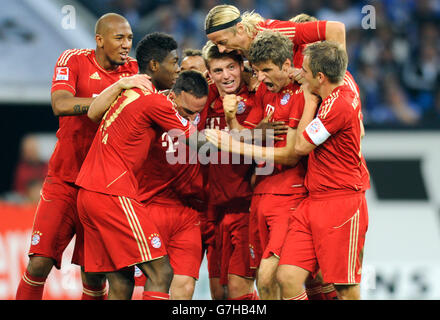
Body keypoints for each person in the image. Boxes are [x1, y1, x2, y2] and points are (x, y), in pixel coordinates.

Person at [15, 13, 146, 300]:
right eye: (119, 38)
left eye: (129, 39)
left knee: (94, 274)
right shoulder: (73, 59)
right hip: (64, 180)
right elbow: (60, 103)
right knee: (38, 263)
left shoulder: (135, 71)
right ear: (99, 39)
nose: (126, 45)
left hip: (102, 188)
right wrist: (113, 94)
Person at [89, 33, 207, 300]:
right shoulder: (156, 101)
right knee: (159, 274)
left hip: (95, 190)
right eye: (174, 62)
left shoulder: (130, 90)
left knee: (118, 282)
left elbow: (92, 112)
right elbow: (200, 144)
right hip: (115, 192)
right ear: (155, 66)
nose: (178, 69)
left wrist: (120, 84)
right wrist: (251, 142)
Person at [206, 30, 307, 300]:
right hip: (260, 196)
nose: (259, 78)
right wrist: (230, 120)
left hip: (290, 195)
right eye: (257, 70)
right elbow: (243, 131)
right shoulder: (265, 90)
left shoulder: (301, 93)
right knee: (265, 286)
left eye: (265, 70)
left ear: (287, 66)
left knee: (270, 277)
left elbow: (291, 154)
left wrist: (233, 144)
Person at [275, 41, 369, 300]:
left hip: (342, 202)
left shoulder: (338, 104)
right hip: (313, 200)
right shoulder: (336, 86)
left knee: (345, 287)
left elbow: (302, 145)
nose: (299, 74)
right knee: (287, 277)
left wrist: (308, 100)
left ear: (320, 76)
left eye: (304, 71)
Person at [198, 41, 258, 300]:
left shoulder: (257, 95)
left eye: (231, 67)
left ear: (241, 66)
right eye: (218, 70)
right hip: (214, 208)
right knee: (219, 293)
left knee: (238, 289)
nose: (226, 76)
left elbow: (256, 142)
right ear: (209, 74)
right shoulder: (204, 97)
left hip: (246, 206)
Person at [204, 4, 345, 61]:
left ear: (240, 29)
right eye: (216, 45)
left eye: (222, 42)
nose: (221, 50)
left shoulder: (274, 32)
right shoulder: (239, 49)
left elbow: (335, 29)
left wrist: (337, 79)